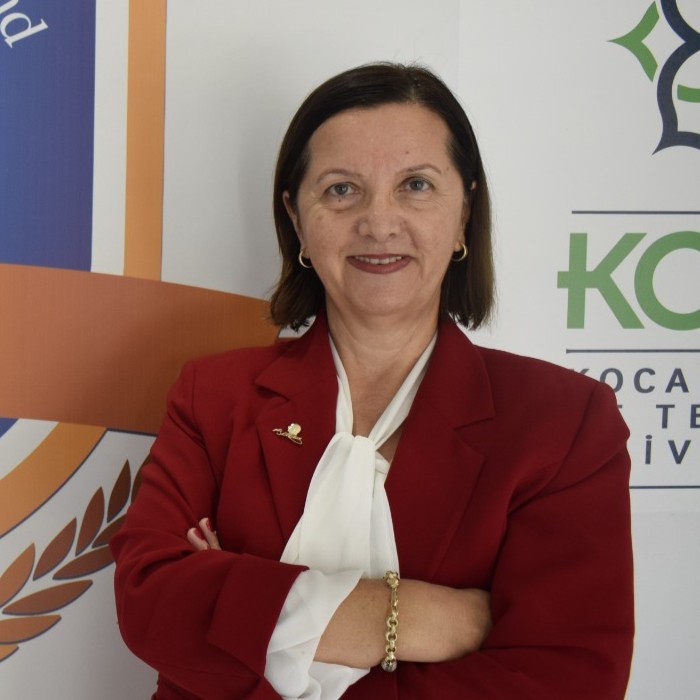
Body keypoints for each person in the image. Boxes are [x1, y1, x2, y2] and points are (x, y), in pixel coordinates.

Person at [110, 63, 634, 700]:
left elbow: (566, 678)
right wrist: (410, 617)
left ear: (464, 213)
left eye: (415, 185)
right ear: (296, 220)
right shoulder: (213, 397)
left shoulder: (564, 422)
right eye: (341, 190)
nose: (379, 223)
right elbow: (151, 603)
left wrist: (243, 607)